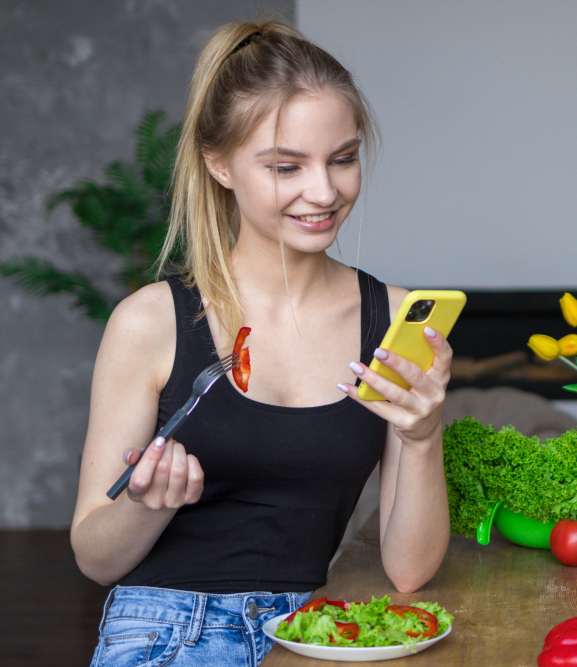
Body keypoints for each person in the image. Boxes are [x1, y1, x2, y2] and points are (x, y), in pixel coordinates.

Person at [70, 19, 452, 667]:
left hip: (316, 631)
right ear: (218, 163)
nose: (325, 192)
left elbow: (409, 573)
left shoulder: (393, 319)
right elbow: (95, 557)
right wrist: (144, 503)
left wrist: (421, 436)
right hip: (166, 628)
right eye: (286, 166)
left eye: (343, 158)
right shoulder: (151, 322)